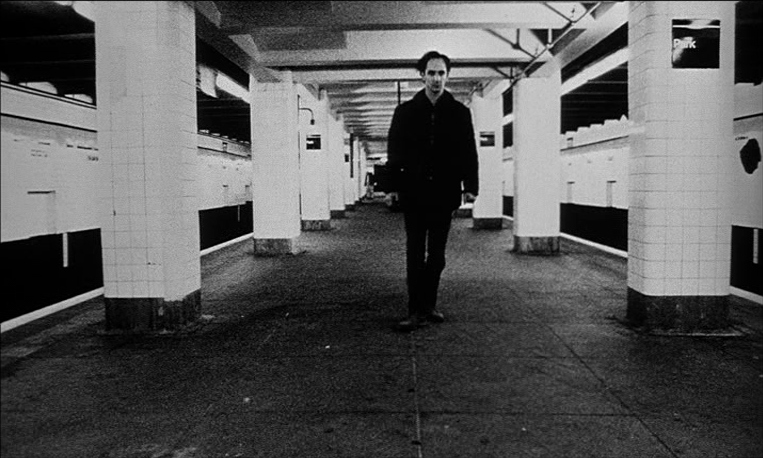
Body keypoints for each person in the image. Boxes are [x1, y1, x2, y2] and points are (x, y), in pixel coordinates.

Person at [387, 50, 479, 332]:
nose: (436, 78)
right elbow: (395, 152)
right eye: (431, 73)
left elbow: (468, 150)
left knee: (437, 256)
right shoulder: (405, 112)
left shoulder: (459, 112)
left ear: (447, 76)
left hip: (443, 193)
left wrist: (471, 186)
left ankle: (429, 304)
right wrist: (392, 187)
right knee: (415, 254)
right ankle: (415, 310)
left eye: (441, 73)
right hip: (413, 193)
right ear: (422, 75)